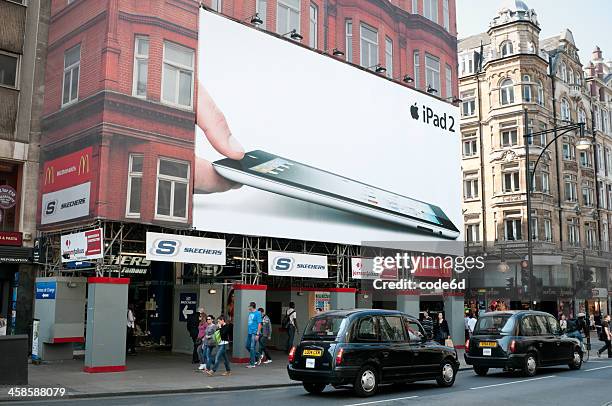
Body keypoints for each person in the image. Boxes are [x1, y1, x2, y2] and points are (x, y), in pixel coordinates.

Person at [246, 302, 262, 368]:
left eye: (249, 306)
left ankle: (252, 364)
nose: (248, 307)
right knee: (247, 346)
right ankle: (258, 355)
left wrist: (257, 334)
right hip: (249, 332)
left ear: (252, 307)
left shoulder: (258, 313)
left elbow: (259, 324)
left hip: (254, 332)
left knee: (252, 348)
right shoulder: (250, 313)